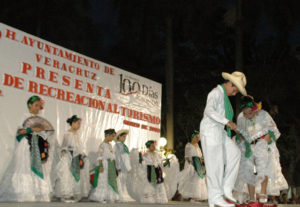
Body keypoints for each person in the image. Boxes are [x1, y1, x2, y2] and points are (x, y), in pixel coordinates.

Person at [200, 71, 247, 207]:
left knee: (235, 154)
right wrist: (227, 122)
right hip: (210, 131)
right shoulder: (215, 93)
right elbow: (209, 111)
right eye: (236, 90)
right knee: (215, 165)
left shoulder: (223, 96)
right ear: (230, 84)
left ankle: (226, 188)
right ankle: (215, 198)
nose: (235, 93)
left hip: (220, 132)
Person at [234, 96, 288, 203]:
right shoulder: (240, 117)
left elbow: (272, 129)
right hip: (248, 146)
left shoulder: (263, 114)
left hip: (262, 144)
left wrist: (265, 140)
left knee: (263, 167)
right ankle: (251, 197)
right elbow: (240, 132)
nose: (248, 116)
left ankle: (263, 194)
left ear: (254, 109)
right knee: (247, 169)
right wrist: (240, 138)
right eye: (245, 114)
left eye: (250, 113)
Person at [0, 95, 54, 202]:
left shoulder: (40, 119)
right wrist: (31, 129)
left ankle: (36, 193)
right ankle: (23, 195)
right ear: (30, 105)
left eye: (39, 106)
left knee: (37, 168)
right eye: (36, 105)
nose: (38, 108)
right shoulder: (25, 116)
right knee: (25, 168)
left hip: (36, 146)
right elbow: (19, 132)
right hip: (26, 146)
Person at [54, 115, 90, 202]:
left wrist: (82, 155)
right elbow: (64, 146)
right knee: (67, 175)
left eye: (80, 124)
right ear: (72, 123)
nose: (79, 126)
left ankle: (74, 193)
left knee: (76, 176)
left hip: (76, 157)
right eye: (78, 123)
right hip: (69, 157)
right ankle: (67, 194)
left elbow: (79, 147)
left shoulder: (77, 134)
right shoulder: (67, 133)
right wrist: (64, 151)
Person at [89, 129, 119, 203]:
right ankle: (102, 196)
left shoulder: (110, 145)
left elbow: (113, 156)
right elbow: (100, 156)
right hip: (105, 164)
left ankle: (110, 196)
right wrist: (101, 165)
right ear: (107, 135)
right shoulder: (102, 145)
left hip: (111, 166)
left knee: (111, 181)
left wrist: (115, 167)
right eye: (112, 136)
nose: (113, 138)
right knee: (104, 180)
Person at [178, 130, 208, 202]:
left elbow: (200, 157)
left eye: (198, 137)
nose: (198, 139)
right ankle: (192, 197)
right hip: (191, 164)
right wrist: (191, 164)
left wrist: (204, 162)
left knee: (198, 179)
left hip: (198, 165)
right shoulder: (188, 145)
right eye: (196, 137)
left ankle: (194, 198)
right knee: (192, 179)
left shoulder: (197, 146)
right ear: (193, 137)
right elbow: (187, 156)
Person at [114, 129, 133, 202]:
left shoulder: (124, 146)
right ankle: (120, 196)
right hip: (121, 166)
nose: (124, 138)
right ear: (119, 137)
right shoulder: (117, 146)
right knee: (120, 180)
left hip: (125, 166)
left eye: (125, 137)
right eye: (123, 137)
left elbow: (126, 157)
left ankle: (124, 195)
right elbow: (117, 156)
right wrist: (118, 166)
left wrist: (128, 167)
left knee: (124, 181)